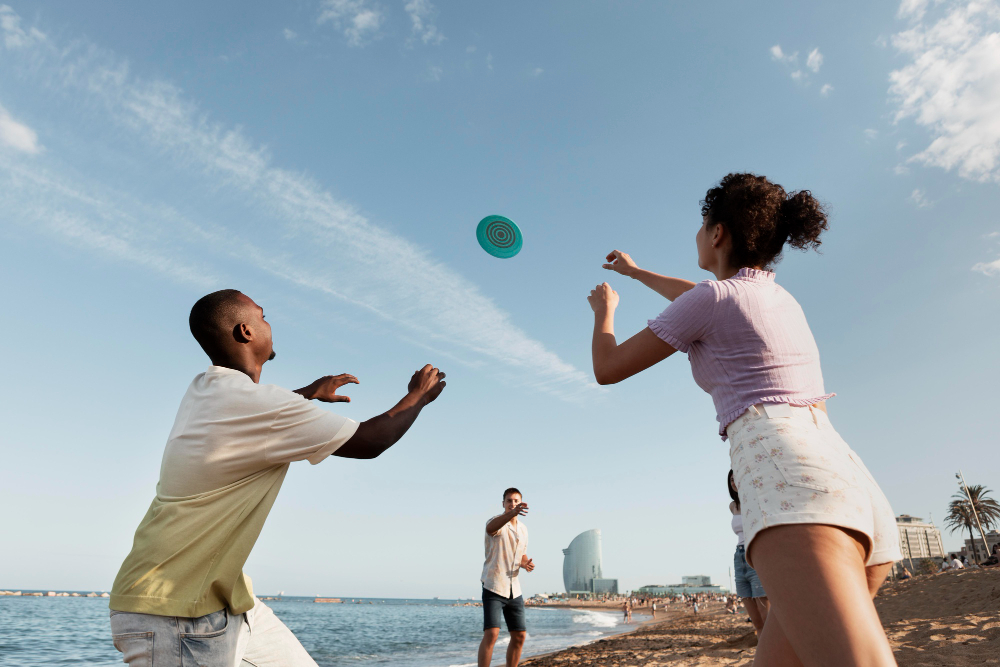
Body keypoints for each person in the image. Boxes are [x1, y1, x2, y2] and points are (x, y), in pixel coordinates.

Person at [587, 173, 903, 666]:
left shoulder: (713, 301)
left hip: (785, 472)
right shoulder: (776, 299)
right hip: (846, 476)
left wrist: (605, 311)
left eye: (701, 225)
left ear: (718, 233)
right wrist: (637, 272)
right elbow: (694, 294)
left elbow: (608, 369)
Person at [108, 290, 446, 666]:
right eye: (263, 316)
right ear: (246, 331)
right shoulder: (255, 405)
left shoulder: (206, 388)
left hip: (228, 604)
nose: (270, 323)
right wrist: (417, 396)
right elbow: (370, 441)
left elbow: (256, 413)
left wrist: (306, 395)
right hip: (174, 610)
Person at [479, 488, 535, 667]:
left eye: (516, 501)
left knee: (519, 636)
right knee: (492, 633)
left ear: (521, 503)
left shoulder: (524, 530)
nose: (513, 504)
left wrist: (525, 563)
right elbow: (490, 529)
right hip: (493, 585)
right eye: (509, 501)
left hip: (514, 588)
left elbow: (521, 555)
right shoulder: (495, 522)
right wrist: (511, 514)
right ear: (503, 504)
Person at [729, 469, 769, 636]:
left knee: (765, 616)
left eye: (736, 478)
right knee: (756, 621)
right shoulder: (733, 506)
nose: (734, 482)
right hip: (739, 558)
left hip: (754, 553)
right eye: (731, 480)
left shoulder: (756, 500)